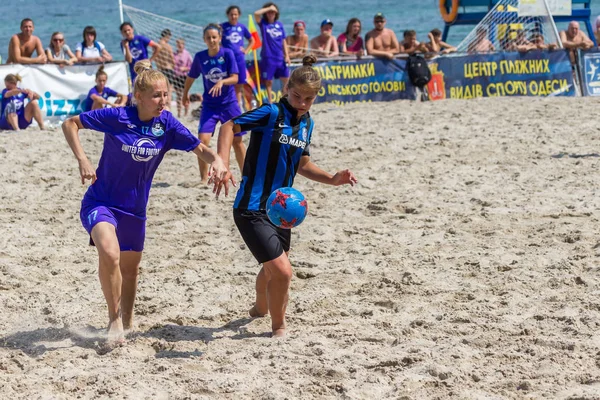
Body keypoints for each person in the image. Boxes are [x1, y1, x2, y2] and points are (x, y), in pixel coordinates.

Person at [62, 60, 230, 345]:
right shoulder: (117, 116)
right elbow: (70, 124)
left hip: (135, 210)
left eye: (165, 95)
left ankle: (126, 324)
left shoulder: (167, 124)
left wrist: (218, 161)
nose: (163, 101)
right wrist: (82, 158)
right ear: (138, 96)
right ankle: (113, 320)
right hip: (100, 201)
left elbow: (200, 149)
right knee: (110, 254)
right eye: (156, 95)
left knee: (130, 270)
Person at [214, 55, 357, 338]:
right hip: (251, 207)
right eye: (296, 96)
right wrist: (222, 161)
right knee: (282, 272)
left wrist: (332, 178)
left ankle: (259, 308)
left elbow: (302, 164)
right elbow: (229, 126)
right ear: (286, 88)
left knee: (273, 268)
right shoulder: (269, 113)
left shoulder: (308, 124)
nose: (302, 103)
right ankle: (278, 328)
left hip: (281, 210)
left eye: (308, 99)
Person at [182, 24, 247, 183]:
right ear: (204, 39)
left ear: (219, 38)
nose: (211, 40)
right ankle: (204, 180)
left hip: (229, 104)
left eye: (214, 37)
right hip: (210, 106)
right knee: (201, 140)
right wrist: (185, 95)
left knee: (237, 141)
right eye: (208, 38)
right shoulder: (200, 57)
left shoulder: (227, 54)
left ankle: (247, 176)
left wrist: (222, 82)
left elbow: (235, 78)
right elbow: (191, 77)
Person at [254, 2, 291, 103]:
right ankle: (270, 102)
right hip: (268, 57)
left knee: (286, 80)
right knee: (268, 82)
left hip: (279, 57)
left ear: (276, 13)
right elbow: (256, 14)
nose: (271, 14)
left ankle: (284, 101)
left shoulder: (279, 25)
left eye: (273, 12)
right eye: (269, 12)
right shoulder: (263, 24)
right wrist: (268, 8)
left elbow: (284, 41)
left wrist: (287, 55)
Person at [221, 5, 255, 110]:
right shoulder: (222, 27)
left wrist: (246, 50)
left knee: (239, 83)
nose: (233, 16)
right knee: (227, 83)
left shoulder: (242, 27)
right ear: (228, 15)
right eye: (231, 14)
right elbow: (215, 37)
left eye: (235, 14)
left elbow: (252, 40)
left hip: (239, 59)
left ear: (239, 15)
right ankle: (227, 104)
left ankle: (238, 105)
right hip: (227, 59)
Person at [173, 38, 193, 118]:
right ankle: (179, 113)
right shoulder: (174, 54)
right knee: (178, 95)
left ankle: (186, 112)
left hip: (184, 76)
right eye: (178, 44)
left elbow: (192, 66)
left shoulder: (187, 54)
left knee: (186, 94)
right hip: (176, 77)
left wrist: (185, 68)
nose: (179, 45)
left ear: (183, 45)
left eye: (181, 44)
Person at [155, 29, 176, 95]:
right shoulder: (168, 46)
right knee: (168, 90)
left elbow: (155, 58)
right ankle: (168, 104)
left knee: (161, 90)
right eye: (169, 38)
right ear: (167, 36)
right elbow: (172, 59)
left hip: (159, 69)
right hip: (168, 69)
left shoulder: (156, 46)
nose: (169, 40)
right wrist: (174, 67)